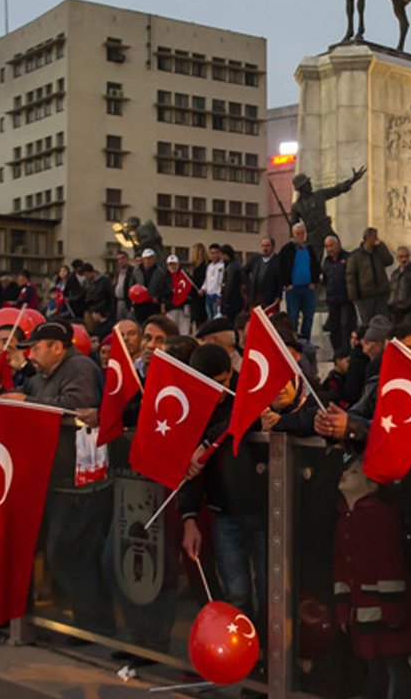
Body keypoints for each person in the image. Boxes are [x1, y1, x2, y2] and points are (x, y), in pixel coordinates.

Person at [21, 322, 114, 635]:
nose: (30, 355)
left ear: (56, 347)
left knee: (71, 552)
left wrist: (26, 404)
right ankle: (79, 616)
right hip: (54, 480)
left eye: (35, 348)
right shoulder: (43, 377)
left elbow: (77, 406)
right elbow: (29, 395)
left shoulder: (79, 368)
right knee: (59, 551)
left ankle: (95, 624)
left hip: (80, 483)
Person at [179, 344, 268, 633]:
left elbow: (243, 416)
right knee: (237, 592)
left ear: (231, 373)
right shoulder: (193, 405)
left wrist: (205, 447)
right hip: (223, 512)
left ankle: (270, 653)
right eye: (209, 384)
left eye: (222, 383)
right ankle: (245, 653)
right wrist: (189, 517)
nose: (218, 391)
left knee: (269, 589)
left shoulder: (247, 394)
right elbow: (192, 473)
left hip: (262, 509)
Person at [333, 458, 411, 699]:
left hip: (382, 607)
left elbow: (389, 563)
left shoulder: (379, 516)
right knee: (375, 666)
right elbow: (341, 565)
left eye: (354, 472)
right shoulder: (346, 517)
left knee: (395, 663)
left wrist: (393, 608)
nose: (346, 474)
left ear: (371, 486)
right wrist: (344, 605)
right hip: (363, 607)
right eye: (348, 469)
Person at [289, 167, 367, 252]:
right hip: (313, 237)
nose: (310, 183)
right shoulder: (296, 206)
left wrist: (352, 181)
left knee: (338, 253)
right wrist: (294, 240)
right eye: (307, 183)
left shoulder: (319, 195)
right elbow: (293, 226)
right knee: (314, 262)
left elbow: (336, 189)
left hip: (326, 231)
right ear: (302, 187)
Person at [279, 223, 320, 343]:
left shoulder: (309, 249)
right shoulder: (287, 249)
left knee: (308, 316)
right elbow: (281, 267)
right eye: (298, 233)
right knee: (293, 316)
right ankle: (293, 340)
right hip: (293, 289)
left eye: (302, 233)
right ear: (293, 234)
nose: (301, 236)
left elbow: (316, 266)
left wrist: (314, 282)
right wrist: (287, 284)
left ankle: (306, 340)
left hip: (308, 288)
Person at [347, 227, 394, 325]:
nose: (376, 239)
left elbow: (389, 260)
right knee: (367, 324)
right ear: (367, 238)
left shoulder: (378, 251)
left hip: (381, 295)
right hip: (365, 297)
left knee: (383, 322)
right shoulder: (356, 256)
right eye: (374, 237)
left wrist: (382, 246)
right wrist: (353, 296)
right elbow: (350, 277)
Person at [322, 235, 356, 355]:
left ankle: (347, 352)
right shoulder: (327, 261)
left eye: (331, 245)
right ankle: (337, 353)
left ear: (338, 244)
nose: (329, 249)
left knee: (346, 326)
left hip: (346, 298)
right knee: (334, 327)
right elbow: (325, 279)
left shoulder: (348, 258)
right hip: (332, 299)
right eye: (327, 246)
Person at [387, 245, 411, 326]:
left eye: (406, 256)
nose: (404, 259)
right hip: (394, 310)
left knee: (407, 333)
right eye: (401, 257)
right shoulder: (395, 273)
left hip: (410, 310)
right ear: (397, 258)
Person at [131, 249, 168, 324]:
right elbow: (132, 285)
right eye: (146, 258)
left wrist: (158, 298)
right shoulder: (136, 271)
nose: (148, 260)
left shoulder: (160, 272)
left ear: (154, 259)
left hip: (152, 304)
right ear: (143, 259)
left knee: (152, 323)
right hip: (139, 303)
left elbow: (162, 288)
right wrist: (132, 301)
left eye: (151, 258)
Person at [248, 235, 283, 310]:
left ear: (273, 247)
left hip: (271, 298)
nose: (265, 248)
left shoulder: (278, 261)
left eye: (267, 246)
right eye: (263, 246)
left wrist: (279, 295)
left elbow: (280, 280)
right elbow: (244, 271)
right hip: (256, 298)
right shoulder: (256, 259)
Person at [82, 263, 116, 339]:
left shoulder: (104, 281)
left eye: (87, 274)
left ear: (92, 272)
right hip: (92, 310)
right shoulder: (87, 283)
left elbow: (111, 296)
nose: (86, 277)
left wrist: (110, 312)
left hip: (103, 311)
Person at [162, 255, 192, 336]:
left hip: (183, 308)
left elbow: (190, 289)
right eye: (170, 264)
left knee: (184, 331)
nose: (173, 266)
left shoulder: (185, 275)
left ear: (178, 264)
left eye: (174, 264)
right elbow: (162, 292)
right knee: (171, 330)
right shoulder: (165, 277)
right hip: (171, 307)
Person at [220, 244, 248, 320]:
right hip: (237, 300)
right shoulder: (237, 265)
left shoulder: (231, 267)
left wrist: (225, 303)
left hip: (232, 301)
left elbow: (229, 285)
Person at [202, 243, 225, 320]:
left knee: (216, 317)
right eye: (212, 253)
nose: (214, 255)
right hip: (209, 295)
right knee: (209, 317)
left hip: (216, 295)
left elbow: (222, 282)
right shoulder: (209, 266)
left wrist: (220, 295)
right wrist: (203, 289)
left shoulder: (222, 266)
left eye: (216, 253)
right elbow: (207, 280)